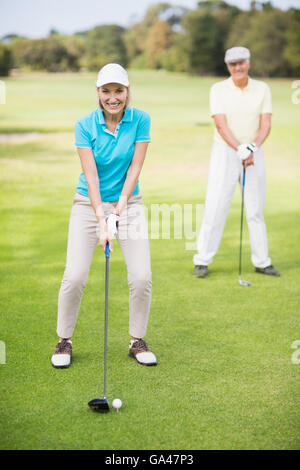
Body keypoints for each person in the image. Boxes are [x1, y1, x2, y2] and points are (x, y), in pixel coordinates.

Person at [51, 63, 157, 368]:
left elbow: (135, 168)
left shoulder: (141, 120)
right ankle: (64, 341)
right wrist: (102, 219)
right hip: (87, 204)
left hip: (129, 202)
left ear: (127, 92)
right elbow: (91, 176)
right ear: (98, 93)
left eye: (119, 91)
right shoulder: (84, 125)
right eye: (106, 91)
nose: (113, 97)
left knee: (141, 276)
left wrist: (119, 210)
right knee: (75, 276)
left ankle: (137, 340)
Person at [193, 47, 280, 279]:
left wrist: (252, 146)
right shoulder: (218, 89)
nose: (237, 68)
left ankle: (262, 261)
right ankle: (202, 260)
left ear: (248, 63)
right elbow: (220, 125)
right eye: (233, 64)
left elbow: (266, 124)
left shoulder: (262, 88)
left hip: (254, 152)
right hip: (225, 152)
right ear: (227, 66)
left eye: (241, 63)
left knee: (255, 209)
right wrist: (239, 148)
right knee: (215, 206)